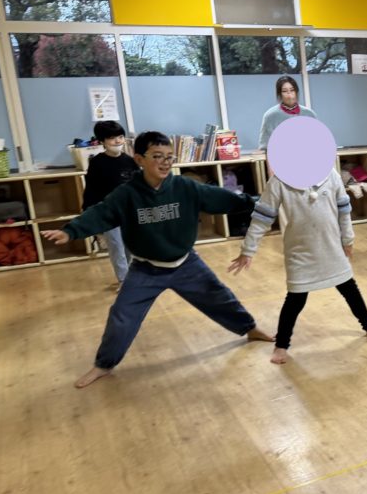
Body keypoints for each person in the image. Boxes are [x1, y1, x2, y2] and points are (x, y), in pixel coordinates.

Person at [41, 131, 273, 388]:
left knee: (219, 297)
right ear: (139, 159)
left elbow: (222, 198)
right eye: (157, 156)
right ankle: (104, 364)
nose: (165, 162)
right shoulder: (126, 195)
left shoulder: (185, 187)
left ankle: (250, 329)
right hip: (146, 269)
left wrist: (257, 203)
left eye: (169, 157)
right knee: (122, 316)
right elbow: (101, 213)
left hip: (186, 264)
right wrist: (70, 231)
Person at [228, 169, 367, 365]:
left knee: (350, 289)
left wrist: (348, 240)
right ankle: (281, 344)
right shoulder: (279, 181)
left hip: (332, 247)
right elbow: (262, 217)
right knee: (295, 299)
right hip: (300, 253)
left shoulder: (331, 175)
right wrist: (248, 249)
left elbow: (344, 210)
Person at [81, 120, 137, 286]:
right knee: (116, 246)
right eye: (112, 138)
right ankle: (123, 281)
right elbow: (91, 189)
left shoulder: (130, 161)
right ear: (102, 141)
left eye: (120, 137)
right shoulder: (97, 163)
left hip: (129, 211)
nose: (117, 141)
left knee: (129, 246)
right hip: (109, 213)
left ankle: (128, 276)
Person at [258, 75, 318, 151]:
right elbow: (264, 147)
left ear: (296, 92)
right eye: (285, 91)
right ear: (279, 94)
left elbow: (318, 142)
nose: (289, 94)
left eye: (292, 90)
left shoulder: (309, 114)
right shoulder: (270, 116)